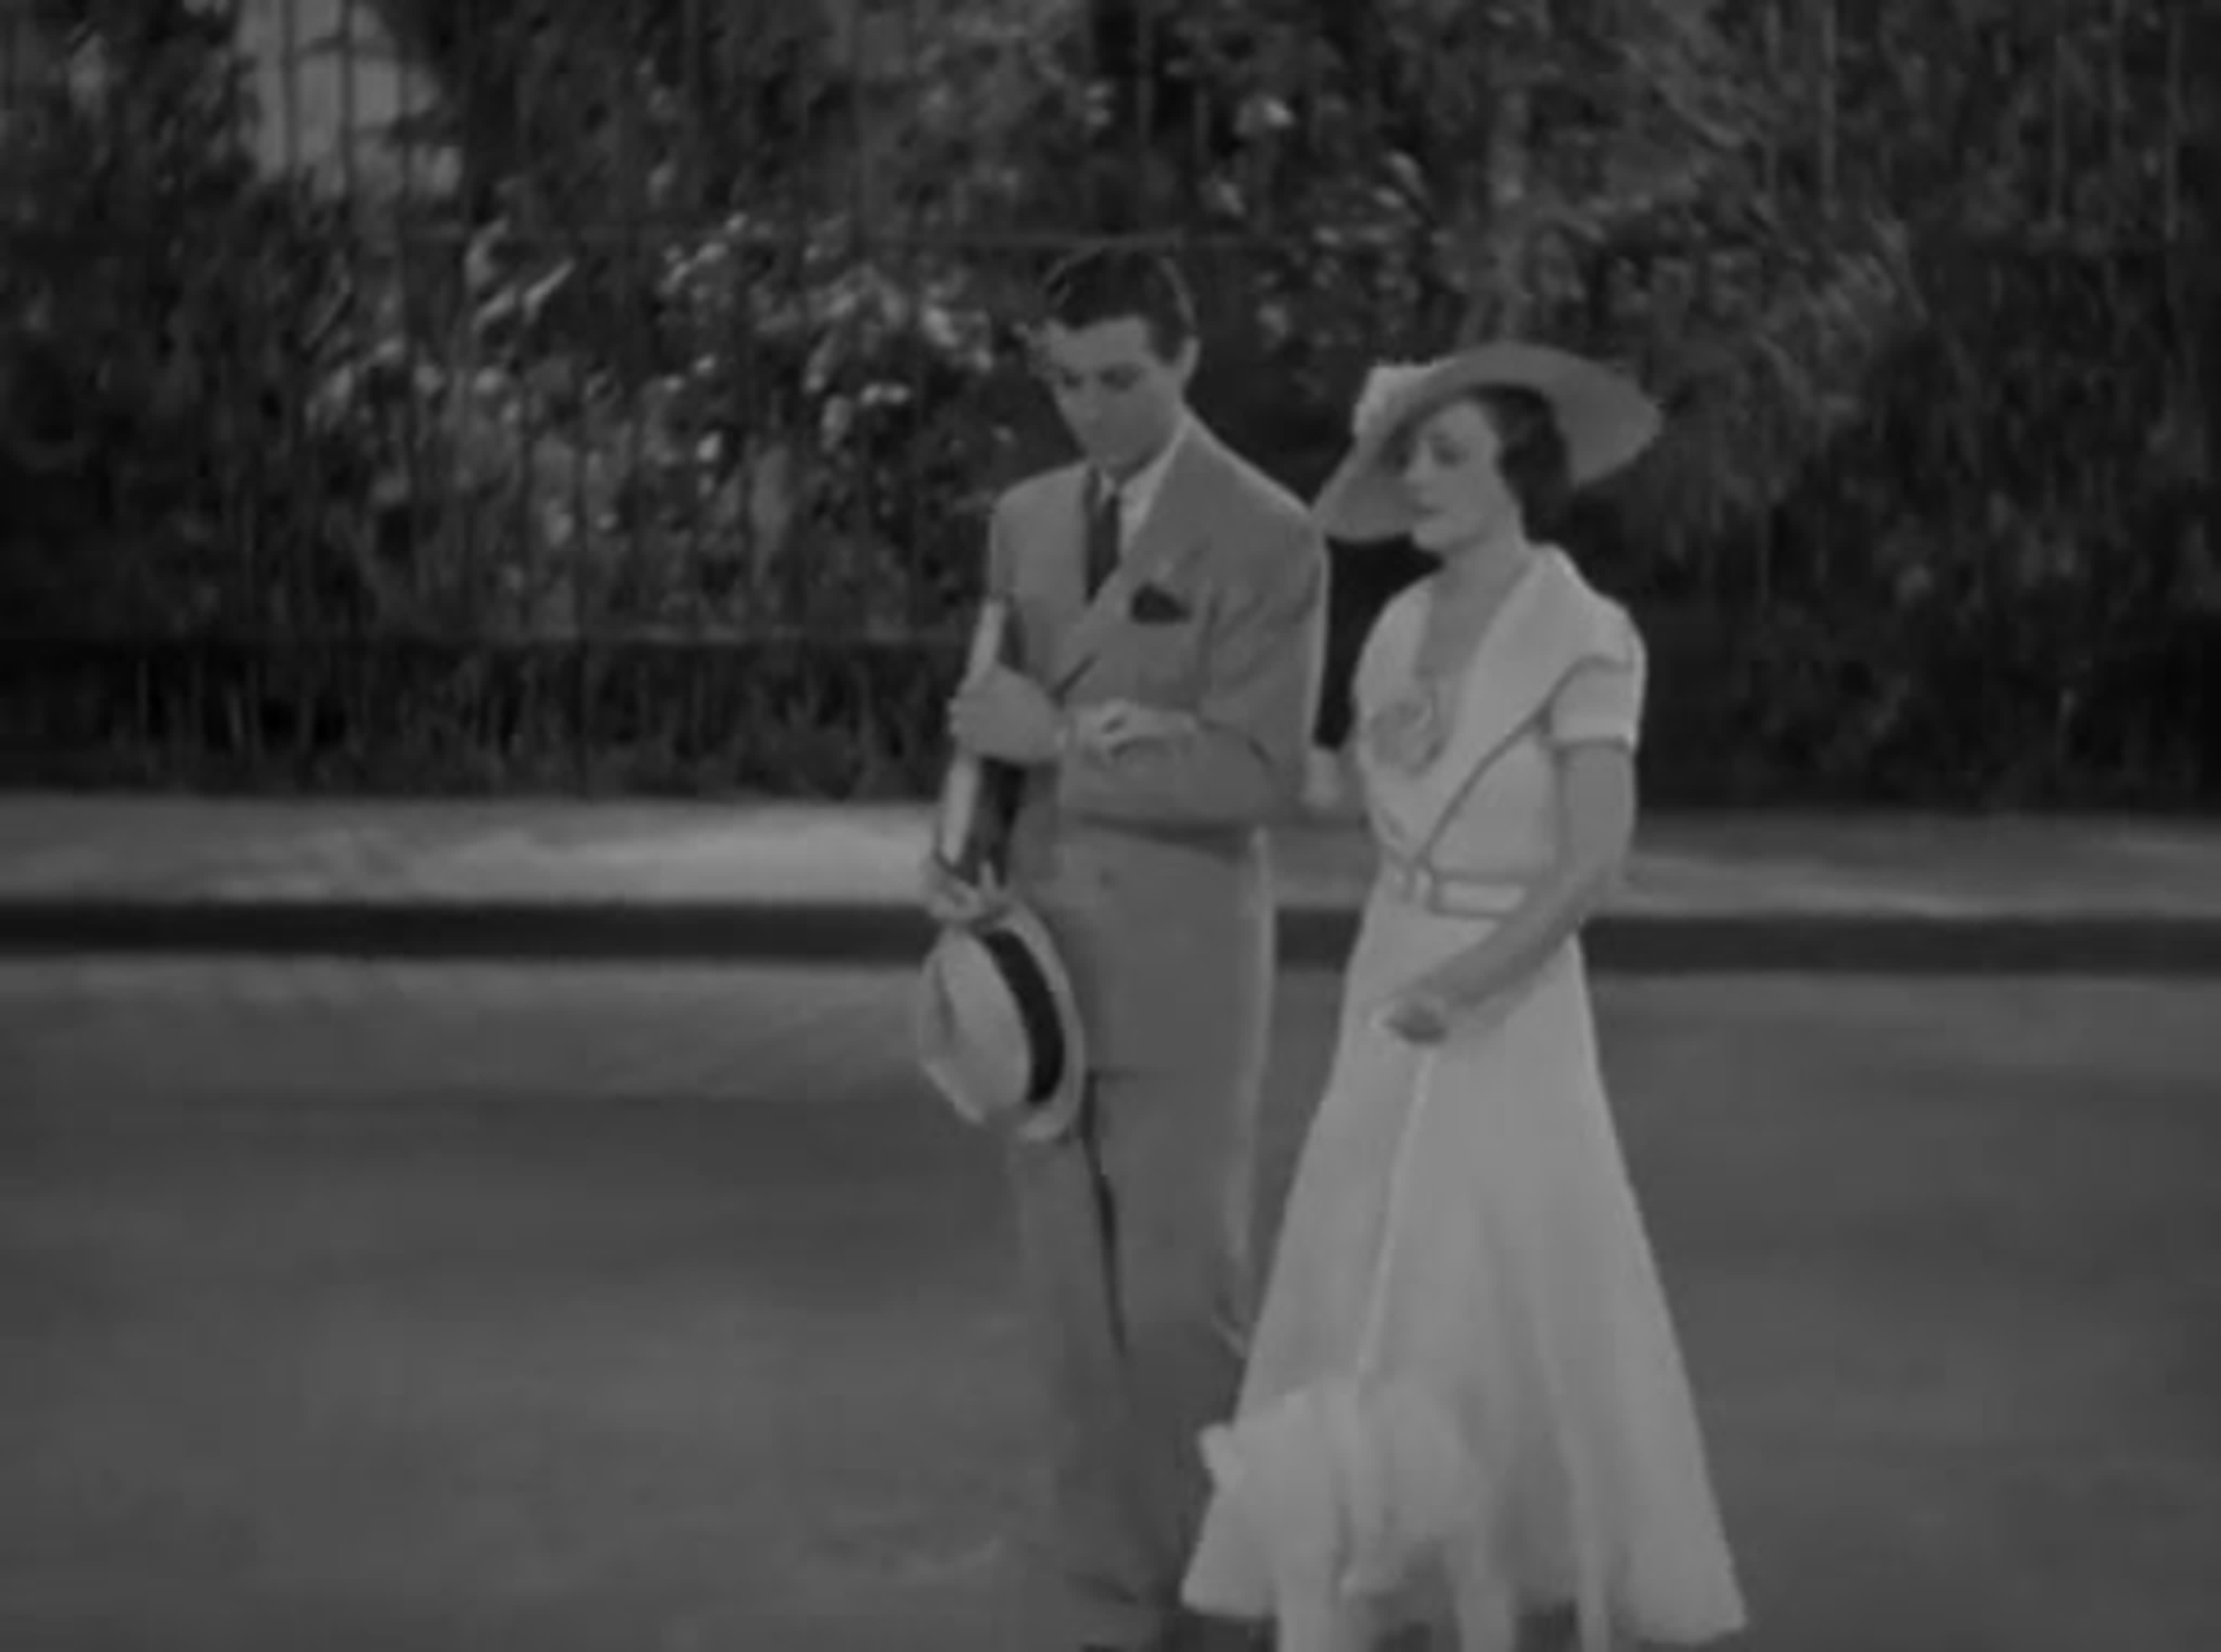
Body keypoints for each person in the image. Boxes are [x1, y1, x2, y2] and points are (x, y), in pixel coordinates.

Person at [1176, 345, 1750, 1652]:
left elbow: (1591, 859)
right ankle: (1383, 1554)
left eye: (1447, 456)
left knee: (1501, 1263)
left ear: (1517, 477)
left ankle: (1512, 1553)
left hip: (1507, 982)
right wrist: (1210, 738)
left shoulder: (1582, 636)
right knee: (1366, 1247)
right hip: (1393, 961)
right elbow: (1355, 786)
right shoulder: (1395, 627)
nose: (1417, 480)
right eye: (1407, 457)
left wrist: (1470, 983)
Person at [925, 243, 1329, 1652]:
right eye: (1065, 382)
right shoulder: (1024, 519)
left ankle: (1224, 1597)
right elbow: (990, 719)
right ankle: (1110, 1600)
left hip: (1182, 964)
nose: (1089, 410)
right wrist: (960, 841)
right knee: (1069, 1313)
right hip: (1032, 966)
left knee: (1176, 1307)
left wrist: (1065, 744)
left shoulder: (1269, 533)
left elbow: (1261, 771)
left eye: (1118, 379)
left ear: (1184, 358)